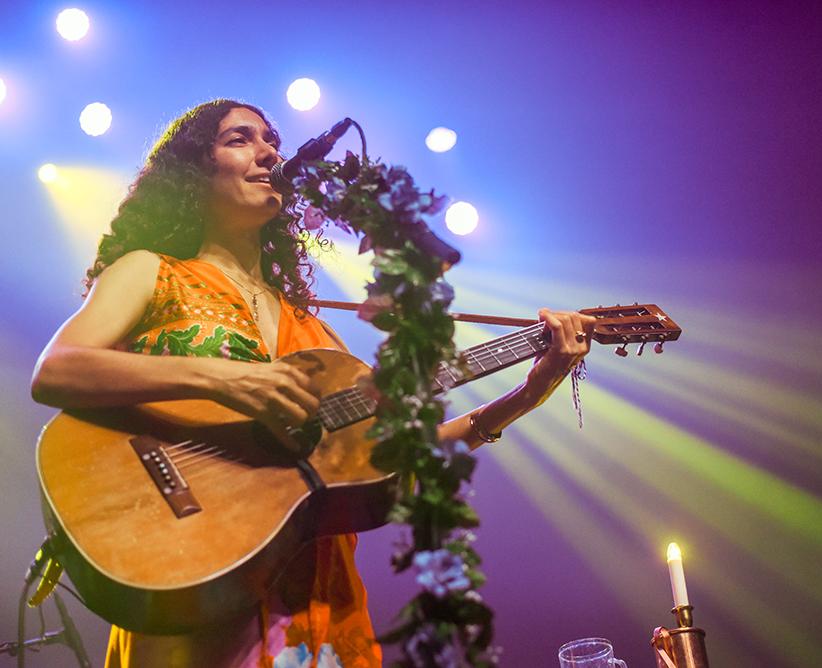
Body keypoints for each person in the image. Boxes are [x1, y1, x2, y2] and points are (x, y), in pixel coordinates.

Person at [30, 99, 596, 668]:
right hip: (191, 590)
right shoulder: (152, 271)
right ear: (193, 173)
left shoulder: (316, 332)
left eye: (271, 139)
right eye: (239, 139)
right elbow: (59, 368)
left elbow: (390, 459)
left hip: (320, 617)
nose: (269, 151)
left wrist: (527, 394)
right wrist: (223, 379)